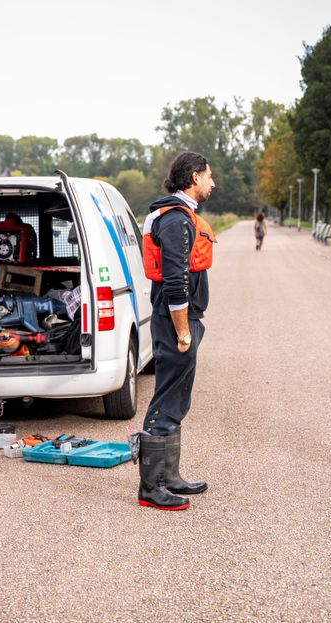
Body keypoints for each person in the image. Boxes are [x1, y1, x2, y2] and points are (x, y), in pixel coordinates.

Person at [132, 151, 216, 511]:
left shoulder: (181, 216)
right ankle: (151, 487)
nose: (213, 182)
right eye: (209, 176)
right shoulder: (176, 220)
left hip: (182, 320)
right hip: (174, 322)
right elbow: (175, 281)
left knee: (177, 398)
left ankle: (170, 477)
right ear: (194, 177)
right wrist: (183, 332)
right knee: (166, 400)